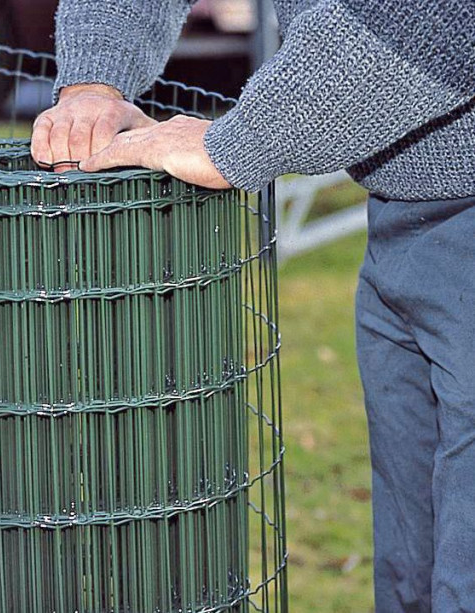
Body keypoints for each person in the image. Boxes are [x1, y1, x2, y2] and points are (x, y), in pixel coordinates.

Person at [30, 1, 475, 611]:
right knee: (413, 575)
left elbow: (429, 19)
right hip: (402, 218)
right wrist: (94, 80)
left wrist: (236, 143)